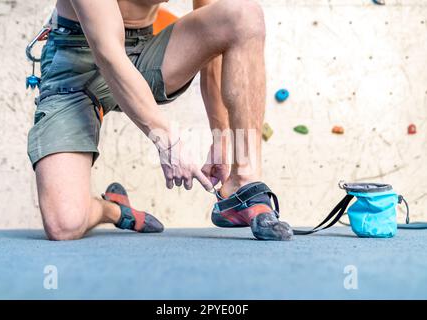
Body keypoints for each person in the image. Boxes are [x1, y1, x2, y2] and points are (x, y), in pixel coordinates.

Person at [27, 0, 293, 241]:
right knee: (64, 225)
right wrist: (166, 140)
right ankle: (114, 210)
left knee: (242, 14)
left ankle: (243, 183)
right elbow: (108, 54)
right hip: (77, 63)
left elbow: (214, 39)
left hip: (145, 53)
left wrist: (222, 137)